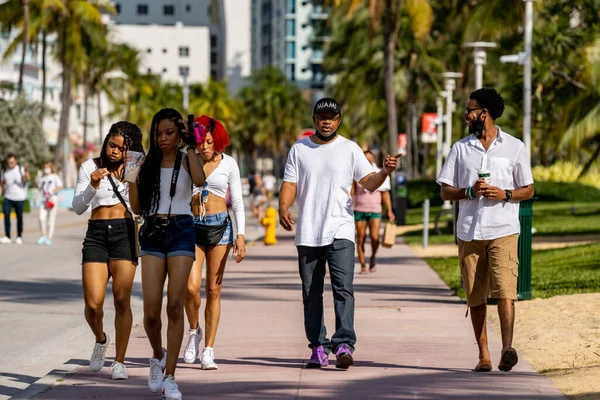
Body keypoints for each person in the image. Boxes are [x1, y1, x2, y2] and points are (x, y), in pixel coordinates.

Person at [279, 98, 401, 369]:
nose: (326, 121)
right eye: (321, 116)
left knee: (343, 288)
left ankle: (344, 343)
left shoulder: (350, 149)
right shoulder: (299, 149)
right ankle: (319, 346)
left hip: (341, 229)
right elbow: (290, 183)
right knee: (311, 293)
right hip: (308, 231)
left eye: (331, 117)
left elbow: (369, 182)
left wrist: (384, 172)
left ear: (338, 121)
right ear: (314, 120)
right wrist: (283, 206)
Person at [437, 88, 534, 373]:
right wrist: (469, 191)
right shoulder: (460, 149)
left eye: (470, 110)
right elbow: (444, 191)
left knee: (506, 291)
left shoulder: (515, 147)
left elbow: (528, 189)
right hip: (469, 231)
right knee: (476, 296)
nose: (465, 116)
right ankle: (484, 355)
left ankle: (507, 349)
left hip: (503, 229)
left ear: (485, 113)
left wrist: (504, 194)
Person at [129, 108, 206, 400]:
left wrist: (191, 147)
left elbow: (199, 181)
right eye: (158, 133)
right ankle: (158, 355)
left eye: (169, 133)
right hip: (152, 231)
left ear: (179, 134)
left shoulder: (188, 157)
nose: (163, 138)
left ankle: (171, 377)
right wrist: (131, 178)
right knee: (150, 313)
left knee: (174, 305)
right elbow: (137, 209)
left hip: (182, 230)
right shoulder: (147, 163)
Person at [72, 121, 143, 380]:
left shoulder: (134, 168)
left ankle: (120, 361)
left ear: (130, 151)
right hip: (96, 235)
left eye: (121, 148)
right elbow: (78, 208)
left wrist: (132, 177)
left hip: (125, 233)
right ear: (106, 142)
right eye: (112, 145)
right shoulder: (89, 167)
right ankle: (101, 339)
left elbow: (140, 207)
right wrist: (92, 185)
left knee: (122, 300)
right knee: (93, 305)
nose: (115, 151)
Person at [183, 115, 247, 369]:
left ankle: (208, 348)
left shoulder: (229, 163)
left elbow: (238, 202)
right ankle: (193, 332)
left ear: (217, 140)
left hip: (221, 228)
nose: (205, 147)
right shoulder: (190, 161)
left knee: (213, 290)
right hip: (192, 227)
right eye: (200, 142)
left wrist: (240, 236)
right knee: (190, 287)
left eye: (209, 142)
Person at [352, 150, 395, 274]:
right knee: (360, 238)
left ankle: (372, 258)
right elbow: (352, 192)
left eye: (370, 159)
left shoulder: (380, 173)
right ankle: (363, 265)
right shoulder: (356, 173)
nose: (368, 161)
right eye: (365, 159)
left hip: (375, 210)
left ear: (374, 160)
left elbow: (385, 194)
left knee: (375, 237)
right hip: (360, 209)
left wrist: (390, 211)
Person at [0, 153, 31, 244]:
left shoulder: (20, 170)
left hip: (19, 198)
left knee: (19, 217)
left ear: (15, 161)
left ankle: (19, 236)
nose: (10, 164)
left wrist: (26, 172)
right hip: (8, 197)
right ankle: (7, 236)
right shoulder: (5, 171)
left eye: (12, 162)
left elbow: (28, 179)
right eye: (9, 162)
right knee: (6, 216)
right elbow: (1, 182)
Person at [35, 162, 63, 245]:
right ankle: (43, 235)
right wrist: (36, 198)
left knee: (51, 219)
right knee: (41, 218)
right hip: (44, 201)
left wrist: (53, 190)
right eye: (45, 167)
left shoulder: (55, 177)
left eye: (47, 167)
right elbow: (40, 189)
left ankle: (49, 238)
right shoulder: (43, 178)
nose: (46, 169)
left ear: (51, 168)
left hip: (52, 200)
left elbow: (60, 186)